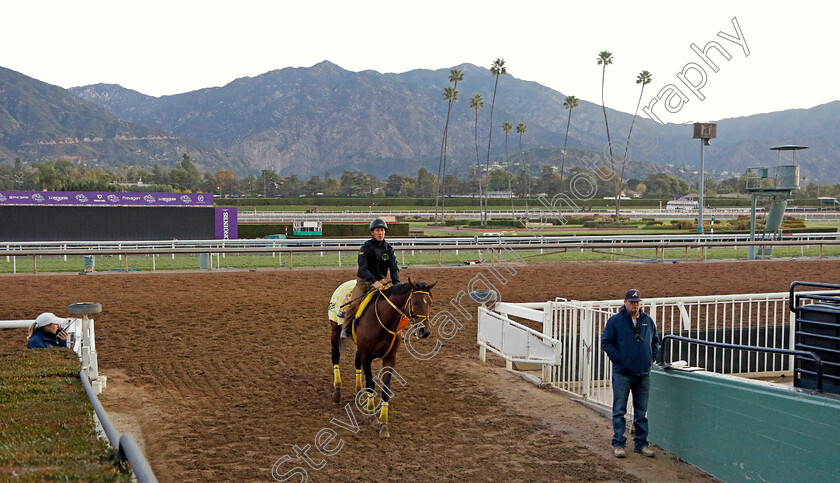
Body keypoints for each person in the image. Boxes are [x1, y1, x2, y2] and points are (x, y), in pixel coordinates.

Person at [601, 289, 660, 459]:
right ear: (625, 302)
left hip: (643, 373)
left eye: (637, 302)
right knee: (619, 410)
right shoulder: (615, 321)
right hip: (623, 373)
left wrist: (651, 358)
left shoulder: (648, 321)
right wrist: (618, 359)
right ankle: (619, 443)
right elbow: (606, 342)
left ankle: (641, 444)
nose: (635, 304)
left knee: (641, 411)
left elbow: (655, 340)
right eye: (632, 301)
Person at [338, 218, 400, 338]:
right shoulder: (366, 247)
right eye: (378, 230)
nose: (380, 233)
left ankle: (396, 329)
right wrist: (374, 281)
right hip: (364, 283)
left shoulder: (389, 249)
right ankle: (345, 327)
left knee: (394, 304)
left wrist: (396, 285)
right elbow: (363, 268)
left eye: (382, 230)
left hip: (382, 283)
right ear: (372, 232)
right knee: (355, 303)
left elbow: (394, 268)